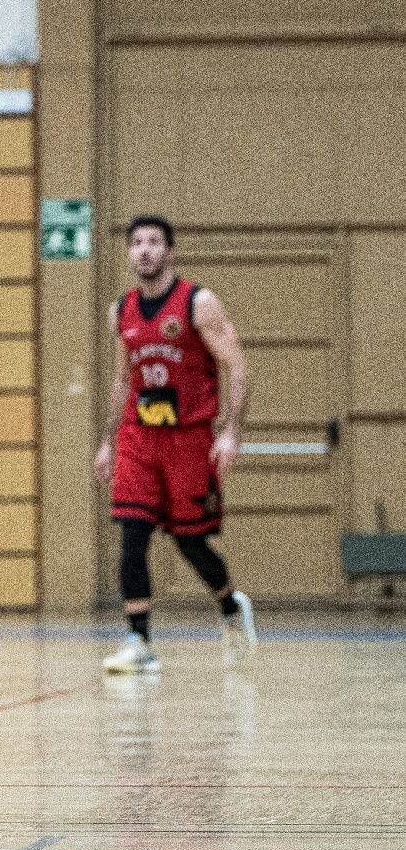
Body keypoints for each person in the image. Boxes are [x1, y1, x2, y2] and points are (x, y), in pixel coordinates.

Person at [94, 214, 257, 674]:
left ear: (170, 251)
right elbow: (122, 379)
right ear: (128, 253)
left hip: (188, 438)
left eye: (154, 242)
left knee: (191, 543)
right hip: (138, 439)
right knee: (132, 533)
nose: (144, 250)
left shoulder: (198, 304)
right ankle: (139, 640)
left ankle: (229, 606)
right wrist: (107, 441)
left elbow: (239, 367)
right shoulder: (120, 310)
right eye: (137, 243)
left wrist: (231, 433)